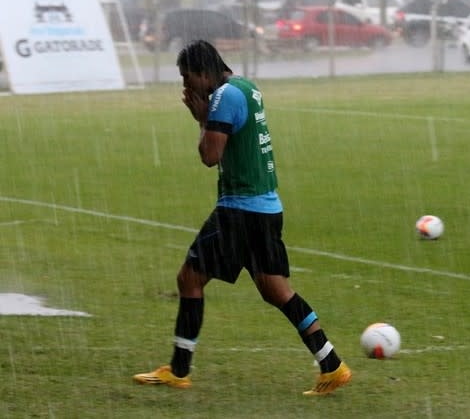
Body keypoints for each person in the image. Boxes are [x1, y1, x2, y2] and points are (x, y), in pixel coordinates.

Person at [133, 40, 351, 396]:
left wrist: (201, 120)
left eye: (189, 79)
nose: (187, 88)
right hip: (266, 208)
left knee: (189, 280)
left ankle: (178, 370)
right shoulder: (246, 87)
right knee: (278, 292)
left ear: (205, 73)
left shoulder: (223, 98)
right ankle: (332, 365)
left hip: (240, 211)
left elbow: (209, 156)